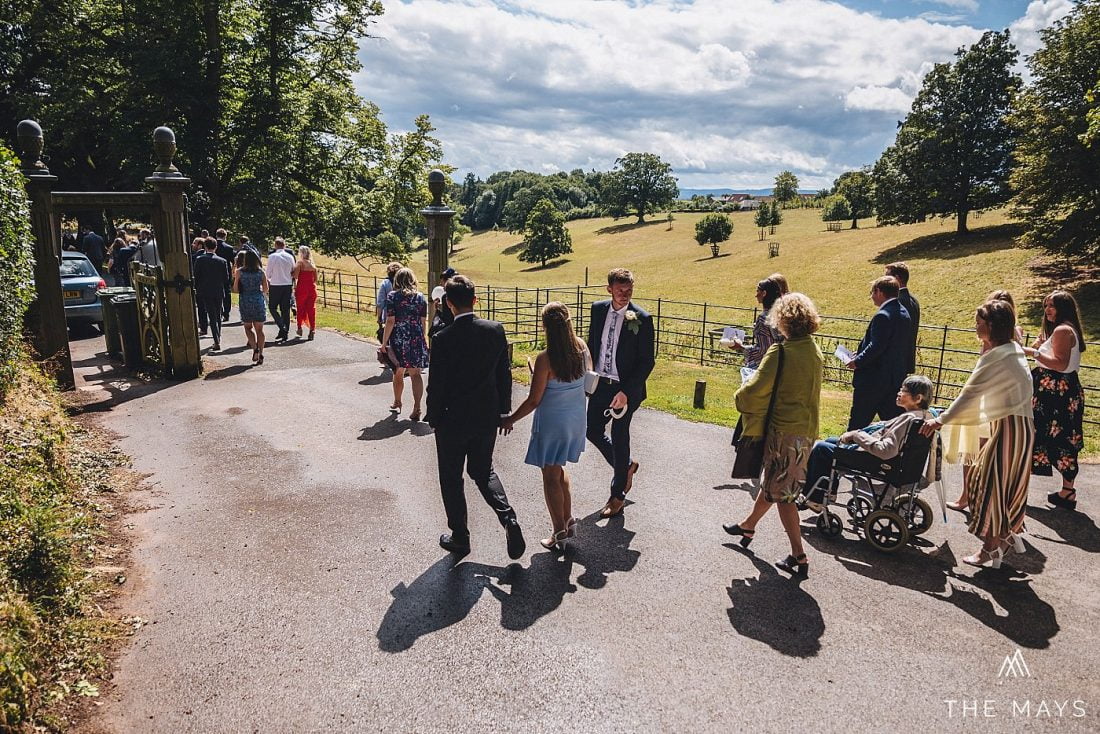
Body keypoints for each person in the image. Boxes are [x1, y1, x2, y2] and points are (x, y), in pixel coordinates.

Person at [921, 300, 1034, 568]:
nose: (976, 326)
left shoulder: (997, 356)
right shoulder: (1012, 350)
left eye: (979, 322)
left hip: (1008, 428)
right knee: (1001, 485)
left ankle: (990, 549)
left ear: (991, 325)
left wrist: (941, 421)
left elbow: (970, 394)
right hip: (1021, 428)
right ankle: (1005, 535)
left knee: (988, 486)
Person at [722, 293, 823, 577]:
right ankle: (748, 525)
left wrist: (740, 396)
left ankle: (799, 555)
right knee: (775, 484)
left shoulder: (782, 352)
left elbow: (753, 391)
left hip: (783, 431)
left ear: (782, 320)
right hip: (806, 430)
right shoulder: (813, 350)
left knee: (784, 495)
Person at [426, 275, 525, 560]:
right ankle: (508, 518)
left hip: (452, 420)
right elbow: (503, 374)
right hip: (485, 416)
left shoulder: (442, 338)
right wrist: (504, 411)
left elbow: (437, 383)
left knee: (451, 478)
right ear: (475, 300)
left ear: (448, 303)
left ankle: (460, 536)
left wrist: (433, 418)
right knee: (483, 471)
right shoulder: (495, 330)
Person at [501, 303, 590, 552]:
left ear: (545, 327)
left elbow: (534, 400)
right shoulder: (581, 347)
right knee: (559, 469)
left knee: (550, 476)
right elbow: (587, 377)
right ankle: (568, 519)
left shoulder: (545, 359)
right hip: (574, 418)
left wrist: (510, 419)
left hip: (553, 422)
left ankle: (558, 531)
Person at [803, 375, 936, 508]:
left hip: (878, 461)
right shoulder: (926, 417)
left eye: (903, 391)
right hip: (897, 462)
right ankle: (829, 491)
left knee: (821, 448)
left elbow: (886, 450)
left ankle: (816, 499)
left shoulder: (908, 420)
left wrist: (857, 435)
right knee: (831, 441)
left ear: (918, 398)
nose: (898, 392)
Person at [586, 268, 655, 519]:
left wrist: (626, 391)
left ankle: (617, 496)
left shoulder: (642, 318)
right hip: (600, 383)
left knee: (619, 433)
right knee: (591, 429)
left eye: (629, 290)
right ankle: (625, 466)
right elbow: (592, 343)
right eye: (620, 290)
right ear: (609, 289)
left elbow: (647, 361)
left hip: (626, 389)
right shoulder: (597, 309)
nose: (625, 295)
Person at [949, 289, 1025, 512]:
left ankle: (971, 496)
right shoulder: (1015, 337)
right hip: (997, 398)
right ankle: (974, 497)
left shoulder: (994, 343)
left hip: (987, 399)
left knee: (973, 447)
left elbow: (983, 370)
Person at [1024, 290, 1087, 511]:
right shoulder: (1066, 329)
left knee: (1042, 433)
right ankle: (1067, 491)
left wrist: (1034, 353)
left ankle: (1019, 488)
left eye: (1052, 305)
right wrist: (1041, 344)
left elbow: (1059, 363)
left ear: (1063, 307)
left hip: (1054, 393)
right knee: (1064, 436)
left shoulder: (1062, 330)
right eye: (1046, 305)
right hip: (1064, 390)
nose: (1047, 310)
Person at [845, 276, 912, 430]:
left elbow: (877, 346)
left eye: (872, 292)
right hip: (893, 379)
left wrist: (857, 361)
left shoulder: (883, 315)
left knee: (858, 422)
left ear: (880, 292)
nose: (872, 297)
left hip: (873, 381)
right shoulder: (903, 313)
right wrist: (861, 352)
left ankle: (846, 451)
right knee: (893, 425)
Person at [381, 268, 429, 419]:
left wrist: (384, 342)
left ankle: (397, 401)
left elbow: (390, 320)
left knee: (398, 371)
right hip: (416, 337)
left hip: (399, 338)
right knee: (415, 374)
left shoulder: (393, 297)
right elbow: (423, 322)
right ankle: (417, 408)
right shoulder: (421, 298)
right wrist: (423, 339)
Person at [727, 277, 783, 370]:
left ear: (764, 293)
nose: (756, 295)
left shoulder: (764, 319)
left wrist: (741, 347)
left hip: (768, 368)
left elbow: (764, 351)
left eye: (758, 291)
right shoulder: (783, 315)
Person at [193, 237, 231, 351]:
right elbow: (226, 278)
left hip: (205, 291)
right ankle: (217, 336)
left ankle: (216, 340)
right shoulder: (222, 261)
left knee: (212, 315)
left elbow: (196, 275)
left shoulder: (200, 259)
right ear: (216, 247)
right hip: (218, 291)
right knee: (217, 315)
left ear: (205, 247)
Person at [233, 250, 269, 364]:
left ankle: (255, 349)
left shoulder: (239, 272)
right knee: (260, 330)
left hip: (245, 300)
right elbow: (265, 289)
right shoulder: (261, 272)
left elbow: (235, 289)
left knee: (248, 328)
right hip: (258, 300)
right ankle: (262, 353)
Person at [885, 262, 920, 374]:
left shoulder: (898, 301)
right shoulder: (913, 300)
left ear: (897, 278)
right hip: (905, 358)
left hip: (895, 361)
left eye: (887, 277)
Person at [265, 237, 295, 342]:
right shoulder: (290, 257)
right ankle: (284, 332)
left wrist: (267, 281)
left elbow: (267, 273)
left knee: (272, 307)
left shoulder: (272, 257)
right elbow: (293, 270)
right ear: (284, 245)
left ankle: (282, 326)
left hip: (276, 284)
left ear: (275, 245)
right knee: (285, 309)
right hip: (287, 284)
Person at [292, 245, 318, 340]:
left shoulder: (300, 263)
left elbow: (295, 276)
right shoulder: (313, 265)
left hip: (302, 288)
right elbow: (315, 279)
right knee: (311, 310)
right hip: (311, 289)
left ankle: (299, 328)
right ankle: (312, 329)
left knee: (300, 308)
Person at [428, 267, 457, 339]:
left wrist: (437, 311)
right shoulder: (463, 293)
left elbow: (447, 319)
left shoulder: (446, 297)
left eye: (442, 282)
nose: (441, 284)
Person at [376, 262, 402, 341]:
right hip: (403, 317)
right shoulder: (404, 283)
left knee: (390, 340)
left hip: (388, 316)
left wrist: (379, 318)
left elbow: (380, 303)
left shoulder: (385, 283)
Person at [214, 229, 235, 320]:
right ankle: (226, 313)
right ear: (225, 237)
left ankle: (217, 311)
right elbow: (233, 261)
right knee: (227, 293)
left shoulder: (213, 245)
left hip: (214, 272)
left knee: (214, 292)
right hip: (226, 272)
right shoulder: (229, 248)